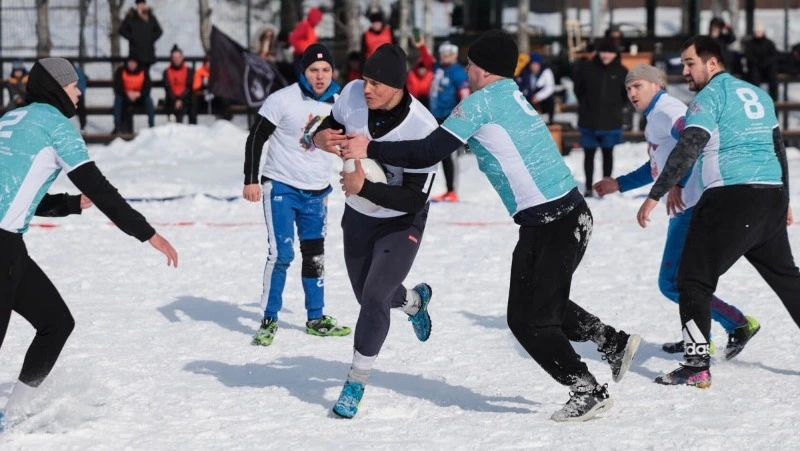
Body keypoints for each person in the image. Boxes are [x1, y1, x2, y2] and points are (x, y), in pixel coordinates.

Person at [336, 31, 641, 422]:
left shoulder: (481, 104)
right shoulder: (510, 94)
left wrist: (370, 148)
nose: (465, 70)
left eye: (469, 64)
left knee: (530, 320)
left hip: (555, 222)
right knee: (534, 305)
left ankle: (586, 390)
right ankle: (610, 341)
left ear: (481, 69)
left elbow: (429, 151)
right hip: (559, 218)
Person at [0, 58, 177, 429]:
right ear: (56, 88)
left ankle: (12, 413)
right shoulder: (56, 126)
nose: (80, 93)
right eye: (74, 85)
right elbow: (98, 187)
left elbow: (17, 191)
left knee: (55, 322)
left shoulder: (10, 120)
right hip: (3, 247)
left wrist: (67, 204)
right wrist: (148, 233)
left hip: (9, 247)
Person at [636, 36, 799, 388]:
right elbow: (778, 148)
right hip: (768, 197)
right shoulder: (757, 94)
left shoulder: (709, 97)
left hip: (731, 198)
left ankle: (696, 364)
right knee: (788, 280)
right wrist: (784, 198)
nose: (684, 71)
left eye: (689, 63)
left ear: (712, 63)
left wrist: (657, 193)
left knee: (691, 280)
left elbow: (690, 144)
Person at [594, 64, 759, 358]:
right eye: (628, 88)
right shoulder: (655, 116)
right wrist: (618, 184)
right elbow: (657, 167)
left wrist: (679, 184)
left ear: (656, 86)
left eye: (638, 86)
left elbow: (694, 141)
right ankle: (702, 335)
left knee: (672, 283)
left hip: (693, 204)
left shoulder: (667, 110)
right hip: (688, 205)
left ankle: (736, 323)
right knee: (684, 280)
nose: (631, 92)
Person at [311, 43, 439, 419]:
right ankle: (414, 302)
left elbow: (415, 201)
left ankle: (355, 380)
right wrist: (319, 136)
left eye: (376, 84)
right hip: (359, 214)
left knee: (374, 298)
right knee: (366, 293)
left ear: (398, 87)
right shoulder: (351, 94)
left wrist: (364, 187)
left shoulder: (422, 127)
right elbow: (330, 125)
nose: (366, 88)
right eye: (365, 79)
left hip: (402, 221)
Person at [243, 44, 350, 347]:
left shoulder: (340, 104)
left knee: (314, 256)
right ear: (303, 72)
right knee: (282, 254)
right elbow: (256, 138)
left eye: (326, 70)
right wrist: (250, 180)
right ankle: (269, 318)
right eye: (314, 70)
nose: (320, 76)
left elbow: (351, 143)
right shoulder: (282, 100)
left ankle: (316, 318)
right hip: (281, 187)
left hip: (317, 193)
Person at [573, 37, 628, 197]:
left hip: (611, 121)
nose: (606, 55)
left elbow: (625, 95)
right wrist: (586, 104)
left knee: (607, 154)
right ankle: (589, 186)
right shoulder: (587, 68)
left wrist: (616, 108)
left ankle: (605, 187)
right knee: (588, 154)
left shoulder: (621, 71)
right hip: (589, 119)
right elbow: (579, 90)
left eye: (610, 52)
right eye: (603, 51)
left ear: (615, 53)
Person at [429, 42, 469, 203]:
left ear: (454, 55)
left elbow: (465, 95)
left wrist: (461, 119)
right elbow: (427, 61)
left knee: (448, 155)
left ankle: (452, 190)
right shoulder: (439, 68)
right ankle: (445, 190)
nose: (444, 57)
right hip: (434, 116)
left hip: (449, 117)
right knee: (436, 154)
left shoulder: (457, 73)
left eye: (448, 54)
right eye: (442, 54)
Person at [112, 56, 155, 133]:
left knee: (149, 100)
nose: (131, 65)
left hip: (140, 97)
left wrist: (139, 94)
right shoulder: (121, 70)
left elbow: (148, 87)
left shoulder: (144, 71)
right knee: (117, 99)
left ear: (137, 63)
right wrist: (127, 93)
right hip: (125, 96)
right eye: (130, 62)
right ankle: (117, 127)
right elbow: (117, 87)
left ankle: (152, 125)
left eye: (133, 63)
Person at [119, 0, 163, 70]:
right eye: (139, 3)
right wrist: (132, 38)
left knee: (146, 75)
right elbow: (122, 30)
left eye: (143, 3)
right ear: (137, 5)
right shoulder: (131, 17)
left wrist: (151, 39)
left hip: (148, 53)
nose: (141, 5)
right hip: (135, 53)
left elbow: (159, 31)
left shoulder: (151, 17)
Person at [515, 52, 556, 124]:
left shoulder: (546, 72)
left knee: (550, 101)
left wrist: (538, 97)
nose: (533, 66)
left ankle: (550, 121)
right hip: (529, 98)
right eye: (532, 64)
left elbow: (550, 88)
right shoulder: (525, 72)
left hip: (542, 99)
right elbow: (520, 86)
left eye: (535, 64)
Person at [745, 24, 779, 102]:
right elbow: (749, 56)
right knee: (754, 77)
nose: (758, 33)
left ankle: (774, 102)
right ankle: (756, 101)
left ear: (763, 32)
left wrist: (766, 63)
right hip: (755, 70)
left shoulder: (769, 43)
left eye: (760, 32)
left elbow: (773, 56)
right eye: (756, 32)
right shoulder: (750, 43)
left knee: (773, 78)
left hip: (767, 69)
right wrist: (758, 62)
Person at [288, 7, 323, 77]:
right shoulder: (304, 25)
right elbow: (293, 39)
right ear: (314, 18)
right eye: (318, 19)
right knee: (303, 78)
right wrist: (303, 48)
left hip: (308, 56)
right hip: (301, 57)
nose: (319, 22)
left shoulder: (311, 28)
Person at [162, 44, 193, 123]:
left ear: (182, 58)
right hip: (171, 98)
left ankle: (192, 127)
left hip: (185, 98)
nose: (176, 60)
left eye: (178, 57)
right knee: (172, 107)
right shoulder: (166, 72)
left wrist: (180, 99)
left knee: (191, 102)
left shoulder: (188, 70)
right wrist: (175, 99)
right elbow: (167, 88)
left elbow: (189, 87)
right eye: (174, 58)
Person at [406, 34, 434, 109]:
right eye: (420, 68)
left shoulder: (431, 74)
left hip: (429, 103)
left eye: (423, 68)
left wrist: (422, 46)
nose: (421, 70)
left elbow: (428, 60)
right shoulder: (411, 75)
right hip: (415, 103)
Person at [72, 62, 88, 131]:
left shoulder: (78, 72)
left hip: (77, 96)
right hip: (68, 96)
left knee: (81, 110)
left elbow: (82, 83)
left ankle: (82, 127)